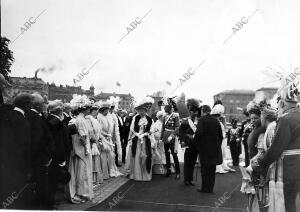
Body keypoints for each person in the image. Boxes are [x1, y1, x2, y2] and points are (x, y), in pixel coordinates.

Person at [252, 81, 300, 212]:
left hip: (289, 169)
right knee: (293, 201)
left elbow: (276, 149)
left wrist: (261, 162)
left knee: (287, 203)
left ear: (282, 103)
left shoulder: (285, 119)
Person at [0, 93, 34, 209]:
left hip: (6, 163)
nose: (31, 107)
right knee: (17, 195)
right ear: (26, 105)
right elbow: (25, 147)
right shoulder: (22, 121)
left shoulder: (8, 115)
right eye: (30, 104)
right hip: (19, 166)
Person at [27, 93, 55, 210]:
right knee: (42, 184)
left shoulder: (35, 115)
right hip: (41, 158)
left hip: (38, 156)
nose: (44, 106)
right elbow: (39, 140)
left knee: (40, 183)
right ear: (37, 105)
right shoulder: (35, 117)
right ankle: (43, 207)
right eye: (43, 104)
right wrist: (47, 157)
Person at [67, 96, 93, 203]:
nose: (89, 111)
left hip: (78, 150)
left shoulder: (78, 119)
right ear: (84, 109)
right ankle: (81, 193)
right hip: (82, 150)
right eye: (88, 109)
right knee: (82, 173)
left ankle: (80, 192)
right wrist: (87, 149)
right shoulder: (81, 120)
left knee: (79, 172)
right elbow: (82, 137)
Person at [194, 105, 223, 193]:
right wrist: (217, 145)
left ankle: (205, 188)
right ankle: (210, 188)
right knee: (212, 169)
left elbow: (199, 132)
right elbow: (221, 136)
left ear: (203, 111)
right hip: (214, 148)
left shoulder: (202, 120)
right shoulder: (216, 121)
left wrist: (196, 143)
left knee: (205, 169)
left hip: (204, 148)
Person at [46, 100, 69, 209]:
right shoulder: (56, 122)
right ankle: (53, 204)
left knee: (53, 181)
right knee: (55, 181)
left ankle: (52, 202)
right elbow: (58, 142)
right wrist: (61, 159)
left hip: (51, 156)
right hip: (56, 157)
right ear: (60, 111)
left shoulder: (49, 119)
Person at [127, 97, 155, 181]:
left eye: (142, 111)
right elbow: (132, 128)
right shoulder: (135, 118)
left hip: (146, 141)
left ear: (145, 111)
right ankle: (136, 175)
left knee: (146, 157)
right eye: (139, 111)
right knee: (137, 156)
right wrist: (137, 134)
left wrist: (145, 134)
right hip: (137, 140)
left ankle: (145, 175)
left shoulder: (150, 120)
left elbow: (152, 130)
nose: (141, 112)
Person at [97, 101, 123, 178]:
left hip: (109, 138)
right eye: (106, 110)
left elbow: (111, 127)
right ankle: (104, 173)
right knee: (104, 156)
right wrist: (105, 135)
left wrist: (110, 135)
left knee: (111, 155)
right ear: (102, 110)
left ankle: (110, 170)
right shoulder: (99, 117)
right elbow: (98, 129)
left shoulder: (108, 116)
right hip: (102, 139)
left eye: (108, 110)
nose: (107, 112)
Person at [179, 98, 200, 185]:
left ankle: (190, 179)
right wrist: (182, 141)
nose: (194, 113)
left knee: (192, 163)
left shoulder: (198, 121)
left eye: (196, 112)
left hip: (196, 144)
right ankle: (186, 179)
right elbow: (181, 132)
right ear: (190, 112)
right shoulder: (185, 121)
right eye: (193, 112)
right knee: (187, 162)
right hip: (188, 143)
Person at [211, 104, 235, 173]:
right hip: (219, 139)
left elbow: (225, 128)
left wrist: (223, 119)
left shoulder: (220, 121)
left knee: (223, 153)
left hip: (222, 138)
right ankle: (218, 167)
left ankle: (222, 165)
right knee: (219, 153)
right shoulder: (216, 122)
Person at [161, 101, 180, 179]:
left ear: (170, 108)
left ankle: (178, 172)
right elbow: (163, 127)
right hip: (165, 136)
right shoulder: (165, 116)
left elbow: (177, 127)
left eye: (166, 108)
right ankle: (168, 170)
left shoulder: (175, 116)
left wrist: (172, 136)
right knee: (166, 154)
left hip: (172, 137)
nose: (165, 110)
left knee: (174, 154)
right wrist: (161, 137)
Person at [85, 104, 103, 185]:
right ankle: (92, 179)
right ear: (91, 112)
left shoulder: (95, 119)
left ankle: (96, 179)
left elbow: (98, 130)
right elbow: (90, 131)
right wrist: (94, 140)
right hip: (92, 142)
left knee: (96, 160)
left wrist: (99, 138)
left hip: (97, 141)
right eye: (94, 111)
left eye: (97, 111)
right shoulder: (88, 119)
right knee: (92, 160)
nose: (96, 113)